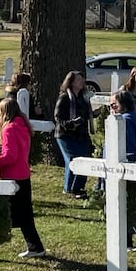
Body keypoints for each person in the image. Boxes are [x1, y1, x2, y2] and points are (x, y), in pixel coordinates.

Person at [0, 96, 48, 259]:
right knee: (25, 216)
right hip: (24, 175)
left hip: (11, 178)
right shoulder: (23, 126)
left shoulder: (9, 129)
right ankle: (35, 247)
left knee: (2, 215)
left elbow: (10, 157)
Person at [54, 70, 94, 198]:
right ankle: (72, 189)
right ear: (70, 82)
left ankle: (78, 188)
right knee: (74, 159)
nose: (81, 82)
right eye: (78, 79)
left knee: (85, 159)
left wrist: (96, 114)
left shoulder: (83, 98)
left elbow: (86, 115)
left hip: (81, 134)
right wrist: (70, 124)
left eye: (82, 79)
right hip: (66, 135)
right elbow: (58, 117)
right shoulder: (65, 97)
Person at [110, 88, 136, 162]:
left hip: (133, 163)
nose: (111, 108)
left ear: (124, 104)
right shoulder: (133, 116)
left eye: (113, 105)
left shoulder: (125, 120)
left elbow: (130, 147)